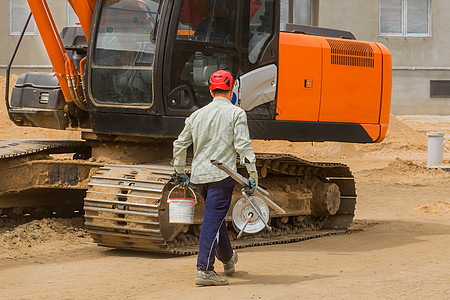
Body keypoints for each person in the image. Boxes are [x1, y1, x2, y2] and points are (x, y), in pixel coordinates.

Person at [171, 70, 258, 286]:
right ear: (232, 91)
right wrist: (253, 173)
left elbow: (179, 144)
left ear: (211, 90)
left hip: (200, 177)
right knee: (212, 220)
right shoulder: (236, 113)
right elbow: (243, 146)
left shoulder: (196, 115)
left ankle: (228, 259)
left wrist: (180, 170)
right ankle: (205, 269)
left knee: (215, 219)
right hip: (222, 175)